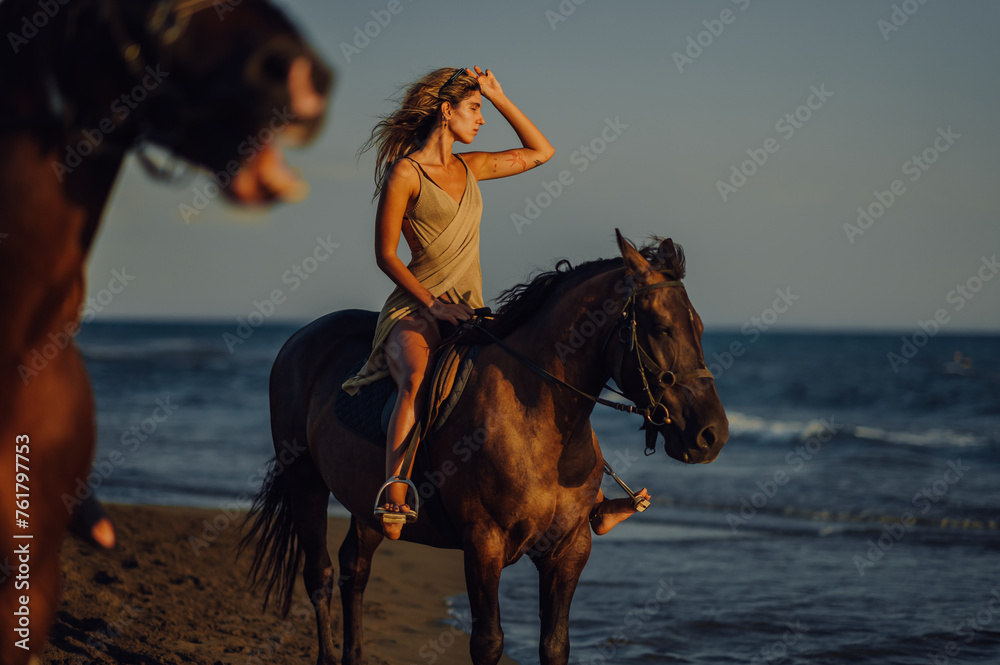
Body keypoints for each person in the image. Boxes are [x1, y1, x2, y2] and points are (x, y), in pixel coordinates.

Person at [343, 66, 648, 539]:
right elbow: (385, 254)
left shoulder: (472, 166)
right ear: (447, 113)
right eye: (474, 109)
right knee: (417, 378)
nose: (481, 120)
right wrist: (433, 305)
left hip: (470, 309)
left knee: (550, 376)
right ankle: (396, 491)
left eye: (483, 110)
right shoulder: (406, 171)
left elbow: (541, 152)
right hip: (416, 308)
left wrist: (498, 95)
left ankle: (595, 498)